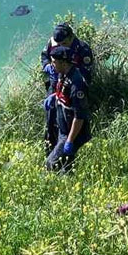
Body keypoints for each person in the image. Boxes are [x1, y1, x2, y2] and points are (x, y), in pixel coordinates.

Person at [38, 24, 93, 151]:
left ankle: (66, 153)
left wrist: (66, 86)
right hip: (54, 87)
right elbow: (44, 55)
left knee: (68, 124)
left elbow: (85, 76)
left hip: (71, 90)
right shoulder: (53, 41)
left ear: (72, 37)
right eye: (59, 43)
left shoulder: (82, 49)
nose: (61, 46)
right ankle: (50, 152)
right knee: (51, 120)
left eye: (64, 43)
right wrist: (47, 66)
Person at [44, 46, 91, 174]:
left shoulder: (76, 84)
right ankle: (67, 186)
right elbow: (63, 93)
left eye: (54, 62)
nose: (52, 65)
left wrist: (69, 140)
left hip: (72, 132)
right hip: (63, 128)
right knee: (66, 165)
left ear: (63, 63)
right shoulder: (63, 74)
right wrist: (54, 96)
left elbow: (79, 116)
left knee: (50, 162)